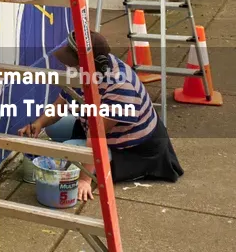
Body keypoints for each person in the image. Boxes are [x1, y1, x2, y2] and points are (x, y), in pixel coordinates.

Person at [19, 31, 183, 201]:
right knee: (52, 127)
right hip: (99, 127)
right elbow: (62, 102)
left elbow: (96, 134)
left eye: (73, 63)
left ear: (93, 63)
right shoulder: (86, 71)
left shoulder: (120, 87)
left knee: (67, 154)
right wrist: (38, 124)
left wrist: (85, 179)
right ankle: (81, 155)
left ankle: (103, 165)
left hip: (133, 150)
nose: (69, 68)